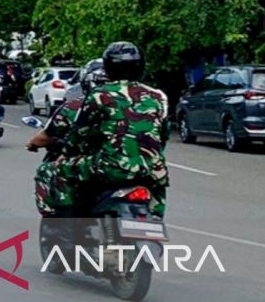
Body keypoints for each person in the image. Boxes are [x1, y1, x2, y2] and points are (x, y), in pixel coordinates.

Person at [27, 42, 170, 219]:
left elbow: (79, 133)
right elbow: (163, 135)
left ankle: (66, 225)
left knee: (55, 170)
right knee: (157, 192)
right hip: (152, 168)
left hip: (110, 166)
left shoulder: (99, 95)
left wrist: (67, 154)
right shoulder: (157, 96)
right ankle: (155, 221)